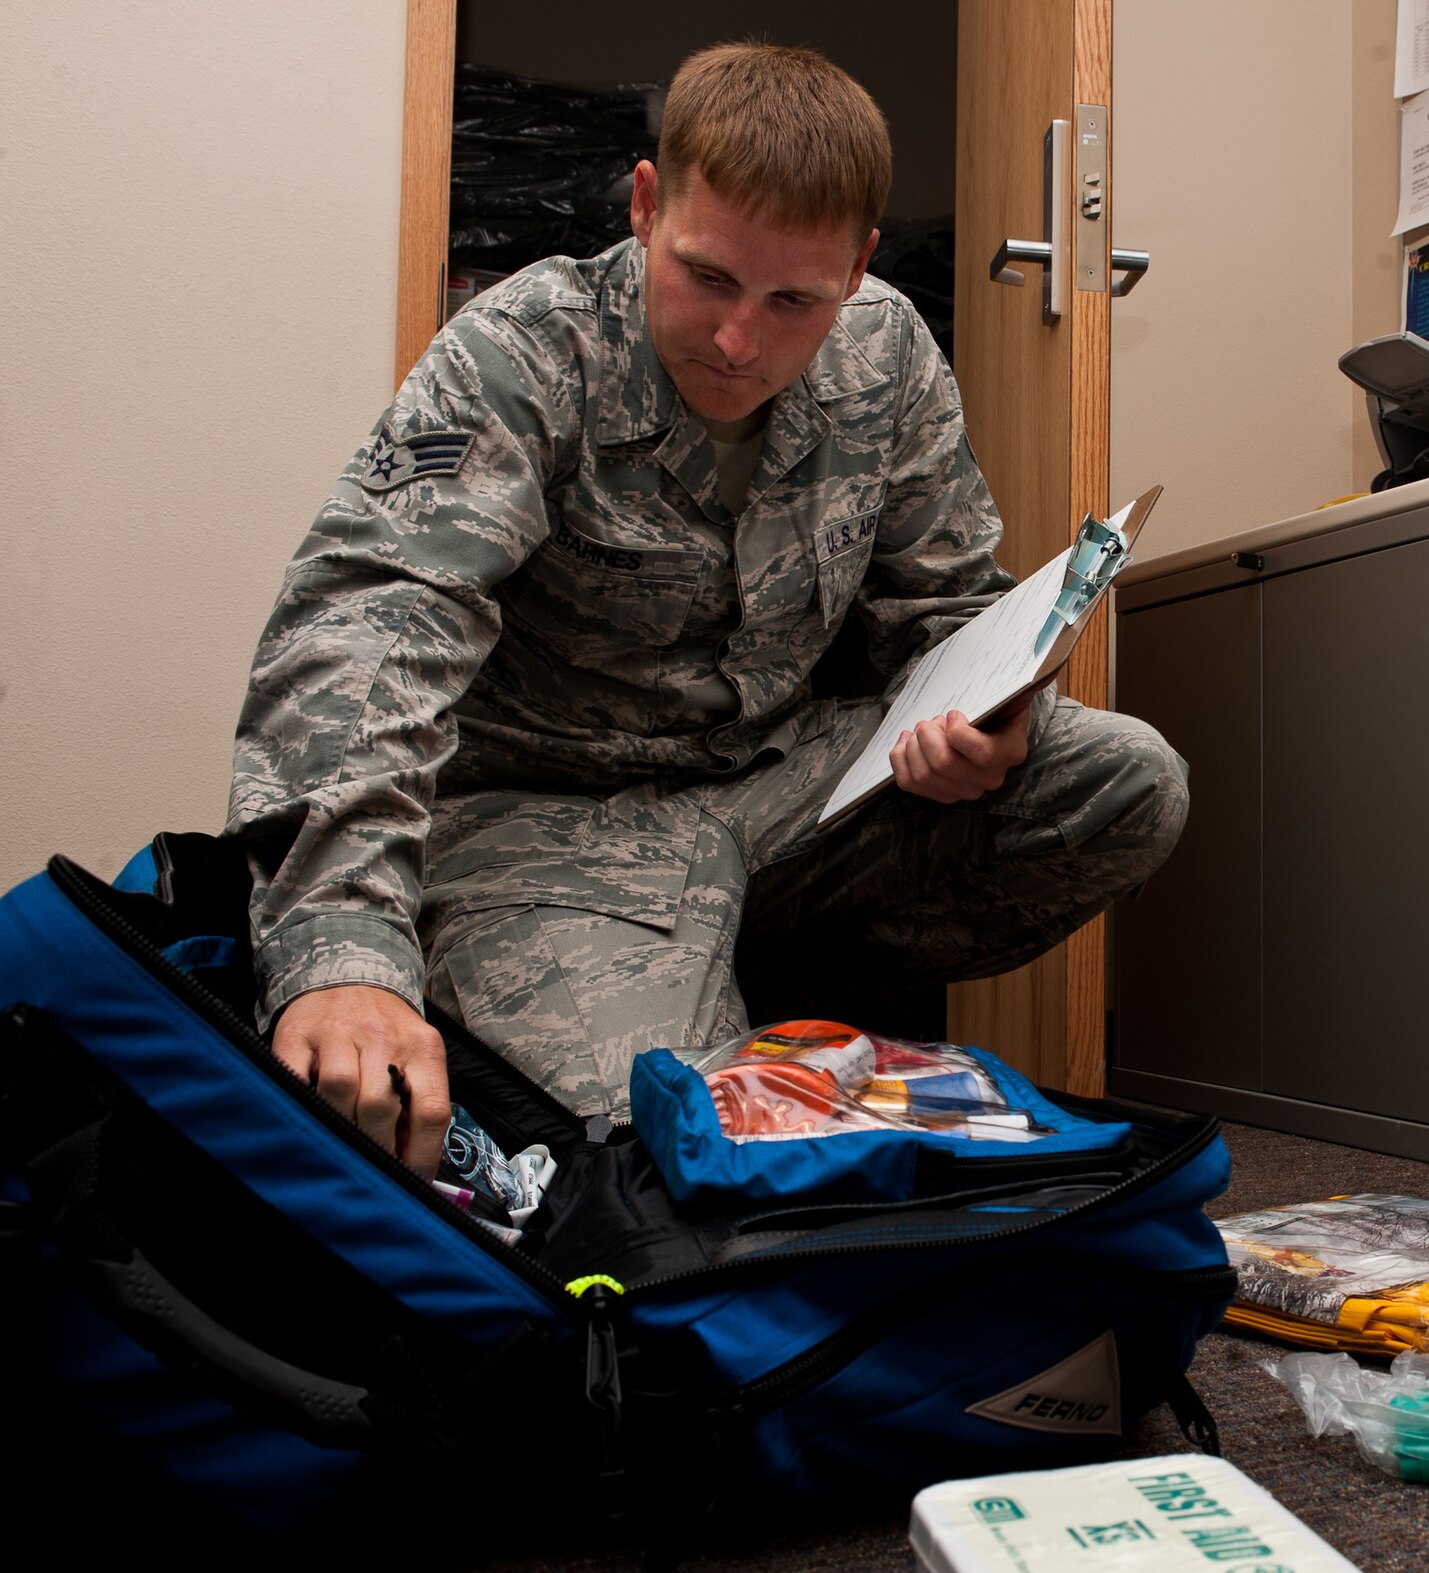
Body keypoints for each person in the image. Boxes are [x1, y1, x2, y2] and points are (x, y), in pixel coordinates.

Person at [224, 42, 1188, 1178]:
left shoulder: (885, 352)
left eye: (795, 300)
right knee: (681, 1147)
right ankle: (658, 984)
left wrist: (992, 718)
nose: (740, 341)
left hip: (777, 788)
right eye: (708, 279)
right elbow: (370, 623)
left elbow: (948, 606)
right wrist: (344, 946)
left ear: (859, 263)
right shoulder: (525, 353)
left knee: (1123, 778)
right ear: (645, 206)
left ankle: (770, 979)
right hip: (547, 820)